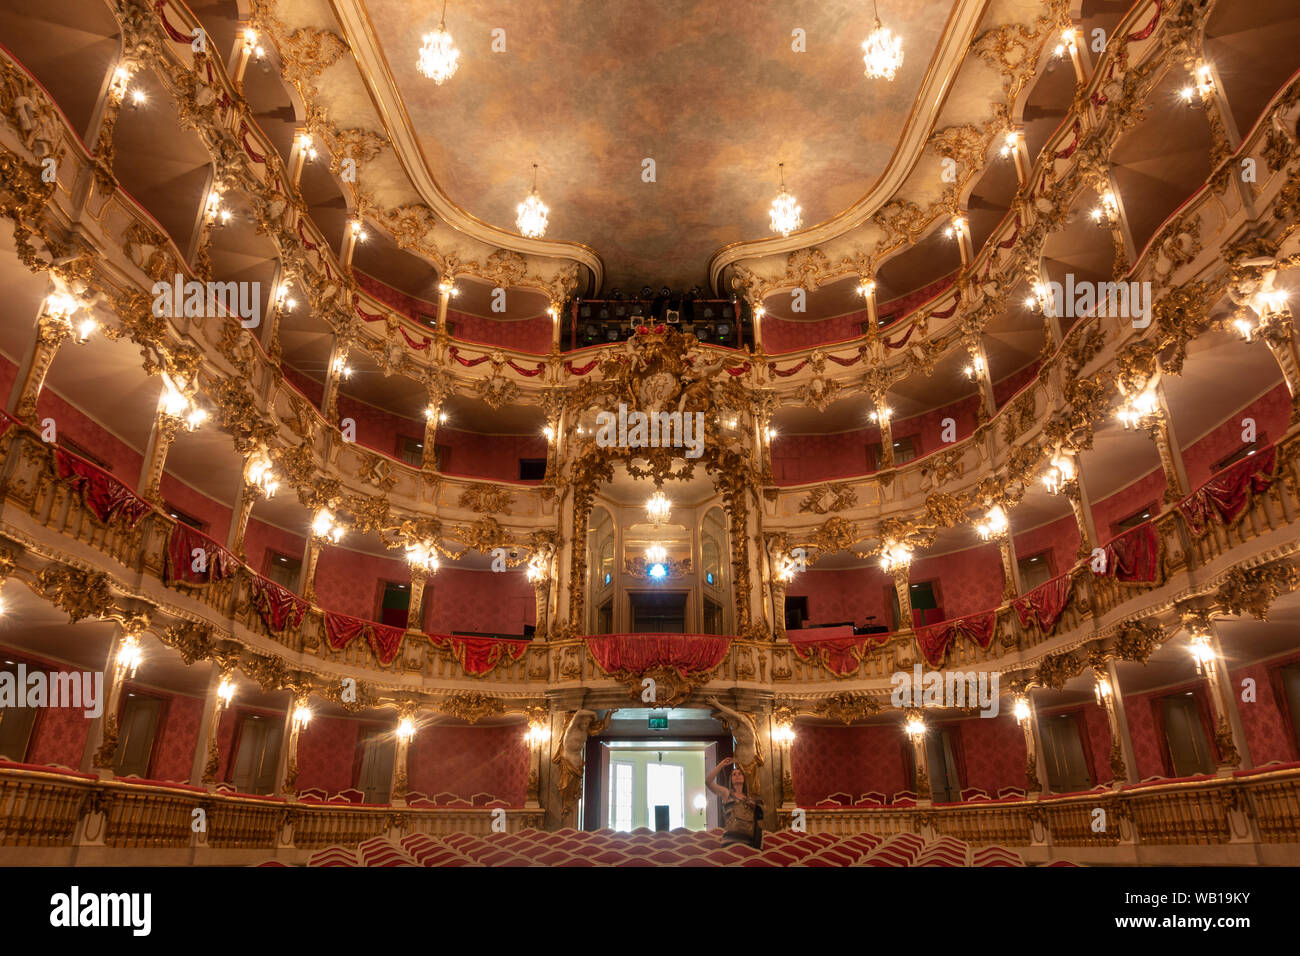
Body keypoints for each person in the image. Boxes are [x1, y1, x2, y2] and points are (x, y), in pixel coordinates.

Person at [706, 757, 764, 848]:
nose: (737, 775)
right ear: (731, 780)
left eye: (740, 774)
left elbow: (758, 823)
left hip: (748, 843)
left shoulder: (750, 799)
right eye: (734, 774)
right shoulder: (726, 793)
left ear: (744, 778)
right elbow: (708, 782)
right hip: (731, 841)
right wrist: (721, 765)